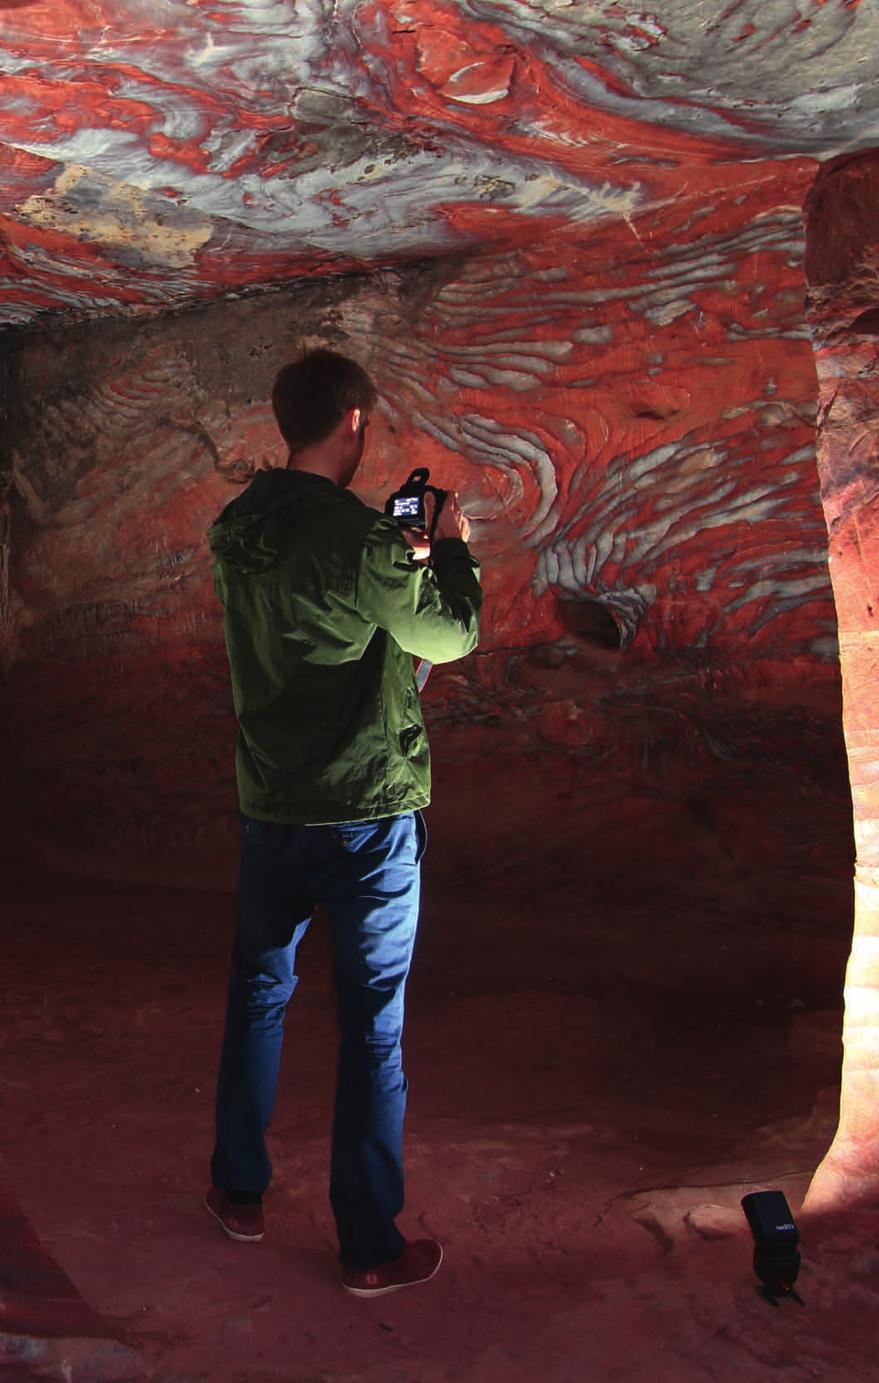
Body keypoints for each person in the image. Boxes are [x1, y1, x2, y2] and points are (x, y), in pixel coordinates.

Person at [204, 348, 482, 1297]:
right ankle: (367, 1243)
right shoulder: (359, 538)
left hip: (272, 801)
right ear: (354, 422)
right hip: (364, 811)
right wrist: (448, 551)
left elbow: (311, 633)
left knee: (257, 993)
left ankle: (237, 1189)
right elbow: (446, 634)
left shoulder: (236, 526)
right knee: (372, 1024)